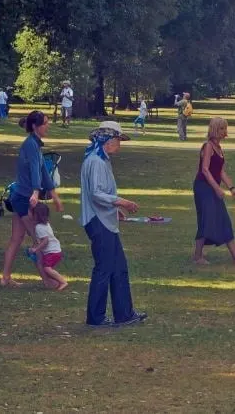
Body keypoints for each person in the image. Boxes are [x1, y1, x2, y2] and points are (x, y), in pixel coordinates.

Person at [80, 121, 147, 326]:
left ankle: (124, 313)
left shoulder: (100, 160)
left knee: (118, 268)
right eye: (118, 139)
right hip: (98, 222)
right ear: (108, 140)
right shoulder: (96, 161)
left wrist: (114, 209)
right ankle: (96, 317)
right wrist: (121, 202)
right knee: (104, 269)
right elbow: (97, 194)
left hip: (104, 220)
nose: (120, 144)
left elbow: (100, 194)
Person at [0, 111, 64, 288]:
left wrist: (55, 196)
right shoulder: (30, 145)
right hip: (24, 199)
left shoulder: (34, 145)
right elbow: (35, 170)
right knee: (39, 239)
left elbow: (43, 171)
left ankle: (5, 278)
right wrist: (36, 192)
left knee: (17, 238)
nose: (47, 125)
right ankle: (47, 280)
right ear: (35, 126)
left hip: (20, 197)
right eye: (45, 123)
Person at [193, 117, 235, 265]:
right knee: (206, 219)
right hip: (203, 187)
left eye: (225, 128)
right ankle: (198, 257)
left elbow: (220, 172)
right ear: (214, 130)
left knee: (223, 219)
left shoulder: (218, 148)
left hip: (212, 187)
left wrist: (232, 188)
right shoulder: (208, 146)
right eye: (221, 129)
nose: (224, 132)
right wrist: (217, 188)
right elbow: (205, 170)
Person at [29, 203, 68, 291]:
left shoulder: (39, 227)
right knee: (47, 267)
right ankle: (54, 281)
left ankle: (63, 282)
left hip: (52, 252)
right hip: (55, 250)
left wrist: (36, 249)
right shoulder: (46, 224)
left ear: (36, 215)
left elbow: (45, 241)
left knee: (47, 268)